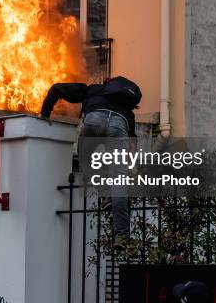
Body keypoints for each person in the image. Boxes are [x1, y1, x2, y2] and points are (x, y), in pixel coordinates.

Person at [40, 76, 141, 239]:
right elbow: (132, 143)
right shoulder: (127, 110)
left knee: (85, 159)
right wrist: (131, 168)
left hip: (94, 120)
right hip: (119, 125)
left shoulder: (93, 89)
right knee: (119, 184)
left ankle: (104, 192)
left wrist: (45, 112)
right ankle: (122, 236)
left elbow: (57, 88)